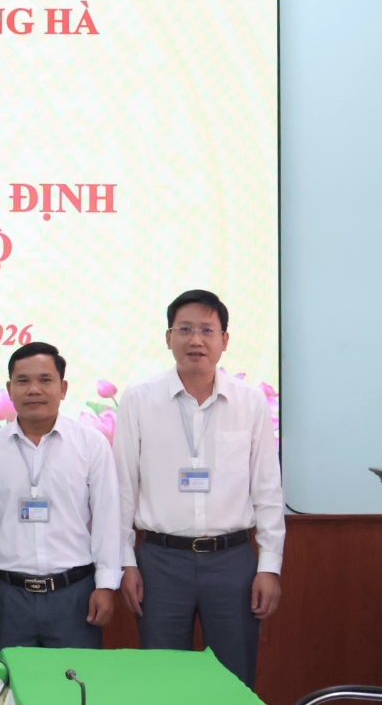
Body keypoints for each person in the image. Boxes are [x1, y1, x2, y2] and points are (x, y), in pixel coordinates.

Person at [114, 289, 284, 687]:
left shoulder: (250, 402)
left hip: (232, 561)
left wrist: (270, 566)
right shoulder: (139, 400)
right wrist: (126, 561)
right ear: (168, 337)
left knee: (233, 678)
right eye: (185, 329)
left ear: (224, 339)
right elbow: (122, 488)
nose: (196, 340)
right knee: (162, 680)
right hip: (160, 561)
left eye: (207, 330)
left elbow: (268, 490)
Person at [0, 342, 121, 649]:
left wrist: (106, 585)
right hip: (10, 596)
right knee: (14, 679)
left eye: (45, 380)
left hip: (74, 593)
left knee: (75, 679)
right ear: (9, 389)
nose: (34, 390)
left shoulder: (91, 444)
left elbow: (107, 518)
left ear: (63, 388)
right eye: (23, 381)